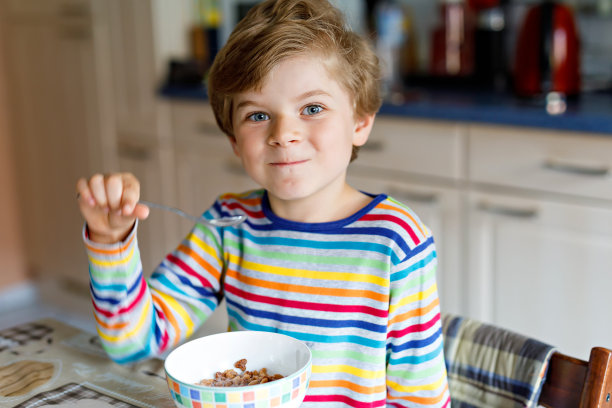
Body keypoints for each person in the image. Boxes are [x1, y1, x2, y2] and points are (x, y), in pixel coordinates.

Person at [76, 0, 450, 406]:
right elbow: (132, 343)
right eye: (257, 115)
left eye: (312, 108)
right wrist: (110, 241)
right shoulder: (228, 225)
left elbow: (421, 397)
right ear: (234, 140)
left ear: (360, 122)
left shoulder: (397, 241)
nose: (283, 134)